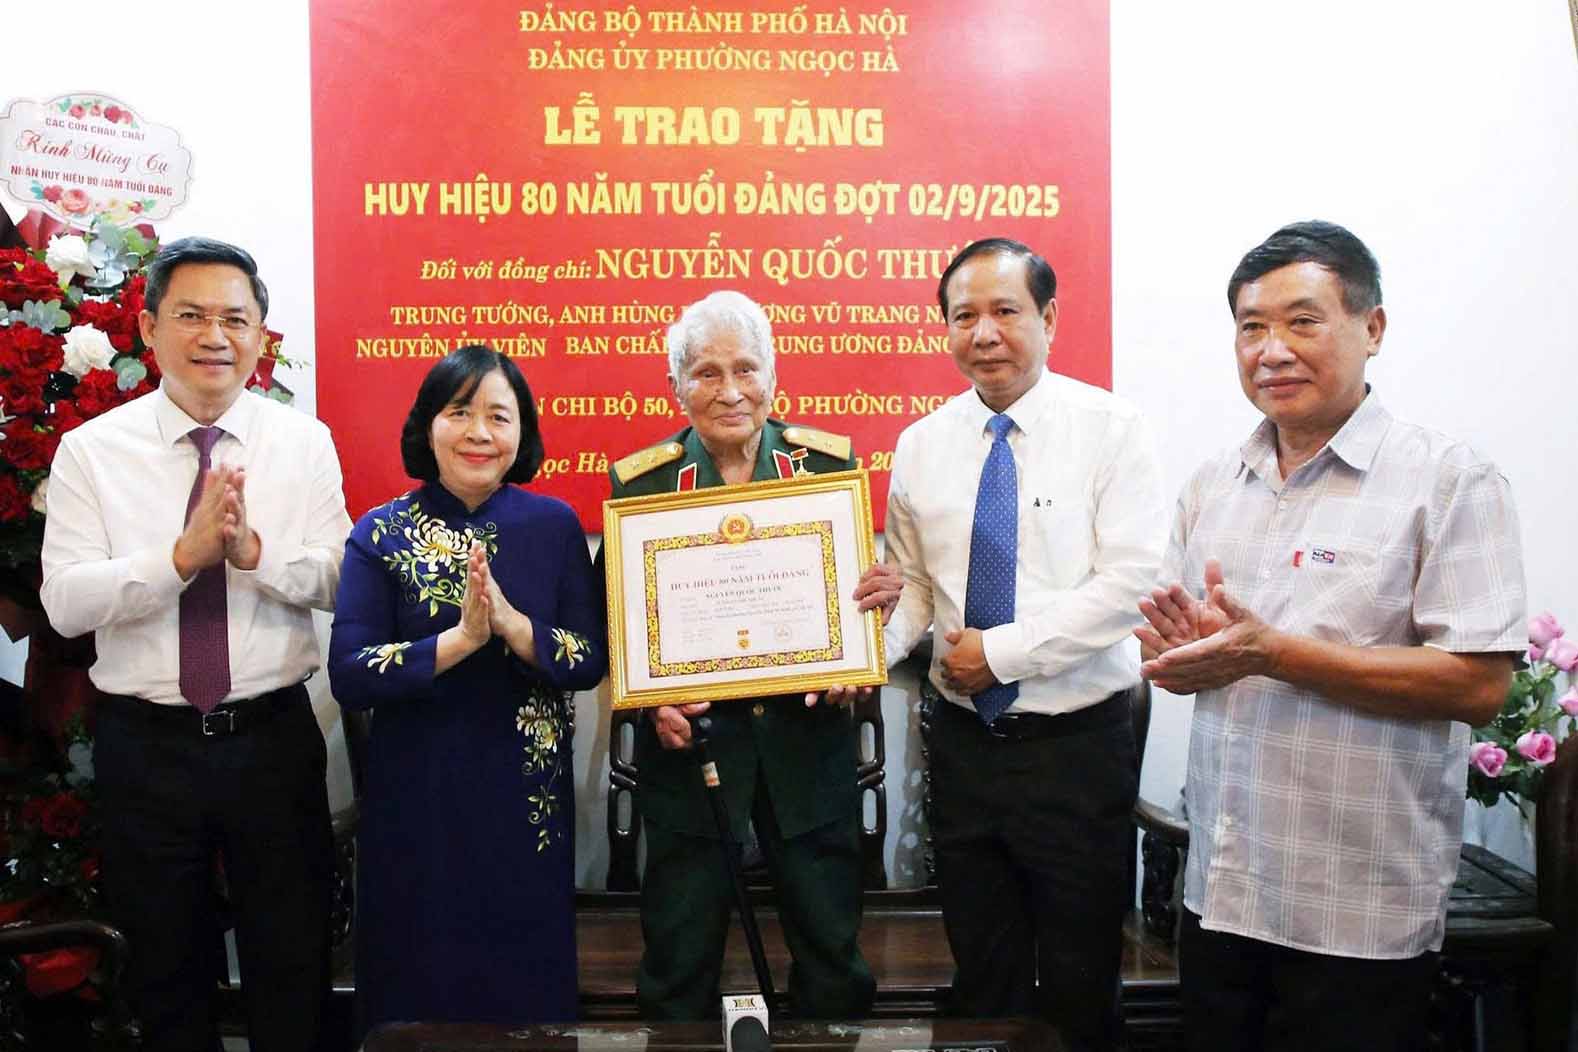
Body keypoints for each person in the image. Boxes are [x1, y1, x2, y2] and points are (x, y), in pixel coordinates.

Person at [1137, 220, 1525, 1051]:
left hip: (1357, 905)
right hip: (1224, 891)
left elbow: (1479, 684)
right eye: (1251, 327)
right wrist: (1179, 657)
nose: (1271, 349)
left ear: (1372, 328)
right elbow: (1186, 659)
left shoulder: (1449, 479)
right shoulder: (1213, 484)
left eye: (1302, 321)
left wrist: (1273, 654)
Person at [40, 237, 351, 1052]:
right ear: (148, 327)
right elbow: (66, 604)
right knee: (164, 973)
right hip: (148, 747)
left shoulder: (302, 442)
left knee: (292, 962)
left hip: (271, 738)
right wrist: (179, 560)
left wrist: (256, 557)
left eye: (234, 318)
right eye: (191, 315)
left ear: (260, 336)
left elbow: (340, 581)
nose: (215, 335)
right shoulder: (92, 452)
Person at [880, 238, 1166, 1050]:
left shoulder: (1112, 429)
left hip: (1076, 748)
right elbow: (914, 589)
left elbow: (1133, 583)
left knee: (1080, 975)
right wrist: (857, 658)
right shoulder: (921, 443)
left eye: (1005, 311)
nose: (984, 333)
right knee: (982, 965)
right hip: (965, 745)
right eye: (963, 316)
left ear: (1048, 317)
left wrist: (998, 656)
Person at [606, 289, 898, 1020]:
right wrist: (648, 698)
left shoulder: (827, 469)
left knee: (833, 954)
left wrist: (864, 627)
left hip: (807, 750)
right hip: (692, 754)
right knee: (676, 962)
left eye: (745, 369)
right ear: (676, 386)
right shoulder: (641, 485)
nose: (729, 391)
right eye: (706, 373)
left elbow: (853, 606)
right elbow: (620, 631)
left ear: (774, 374)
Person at [328, 345, 606, 1038]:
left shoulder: (555, 526)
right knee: (418, 990)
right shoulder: (380, 532)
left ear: (523, 434)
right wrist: (457, 643)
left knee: (523, 995)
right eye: (460, 412)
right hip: (417, 797)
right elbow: (350, 671)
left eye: (499, 416)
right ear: (429, 426)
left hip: (525, 807)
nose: (480, 432)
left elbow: (589, 658)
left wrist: (515, 629)